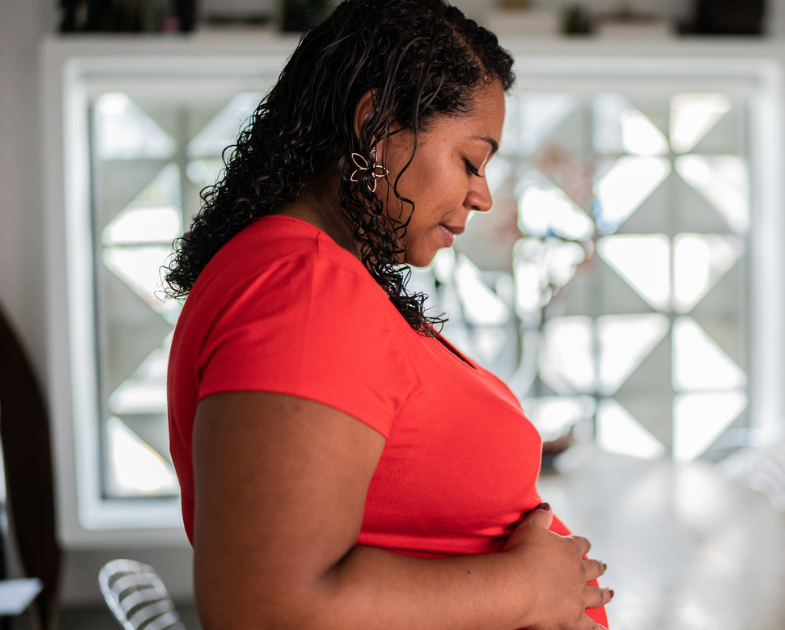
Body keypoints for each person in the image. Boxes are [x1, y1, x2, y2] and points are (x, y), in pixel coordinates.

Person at [162, 1, 612, 628]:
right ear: (375, 125)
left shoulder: (305, 275)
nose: (482, 194)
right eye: (470, 160)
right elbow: (263, 609)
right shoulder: (306, 289)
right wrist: (528, 586)